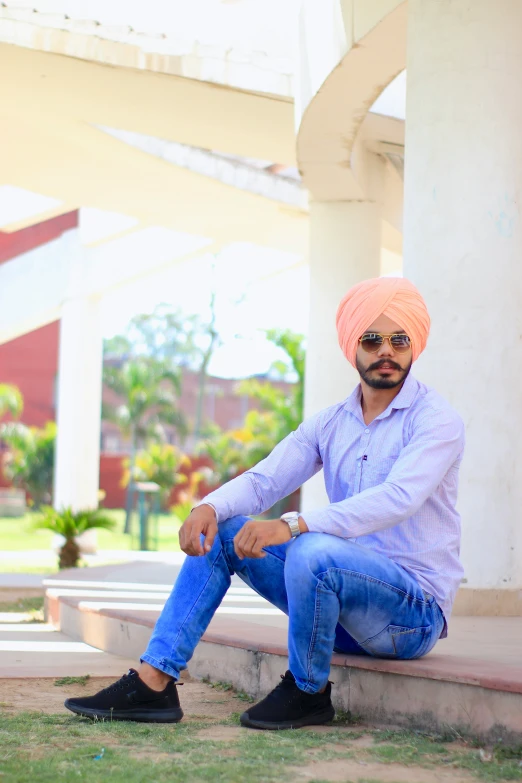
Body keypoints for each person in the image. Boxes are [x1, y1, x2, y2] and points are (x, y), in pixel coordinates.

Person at [64, 276, 465, 730]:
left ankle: (307, 692)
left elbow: (398, 498)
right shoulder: (331, 423)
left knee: (314, 550)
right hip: (340, 615)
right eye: (372, 340)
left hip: (410, 619)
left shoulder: (437, 421)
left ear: (415, 345)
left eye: (399, 339)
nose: (386, 351)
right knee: (226, 532)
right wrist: (209, 507)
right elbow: (266, 479)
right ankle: (154, 681)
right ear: (353, 346)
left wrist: (293, 525)